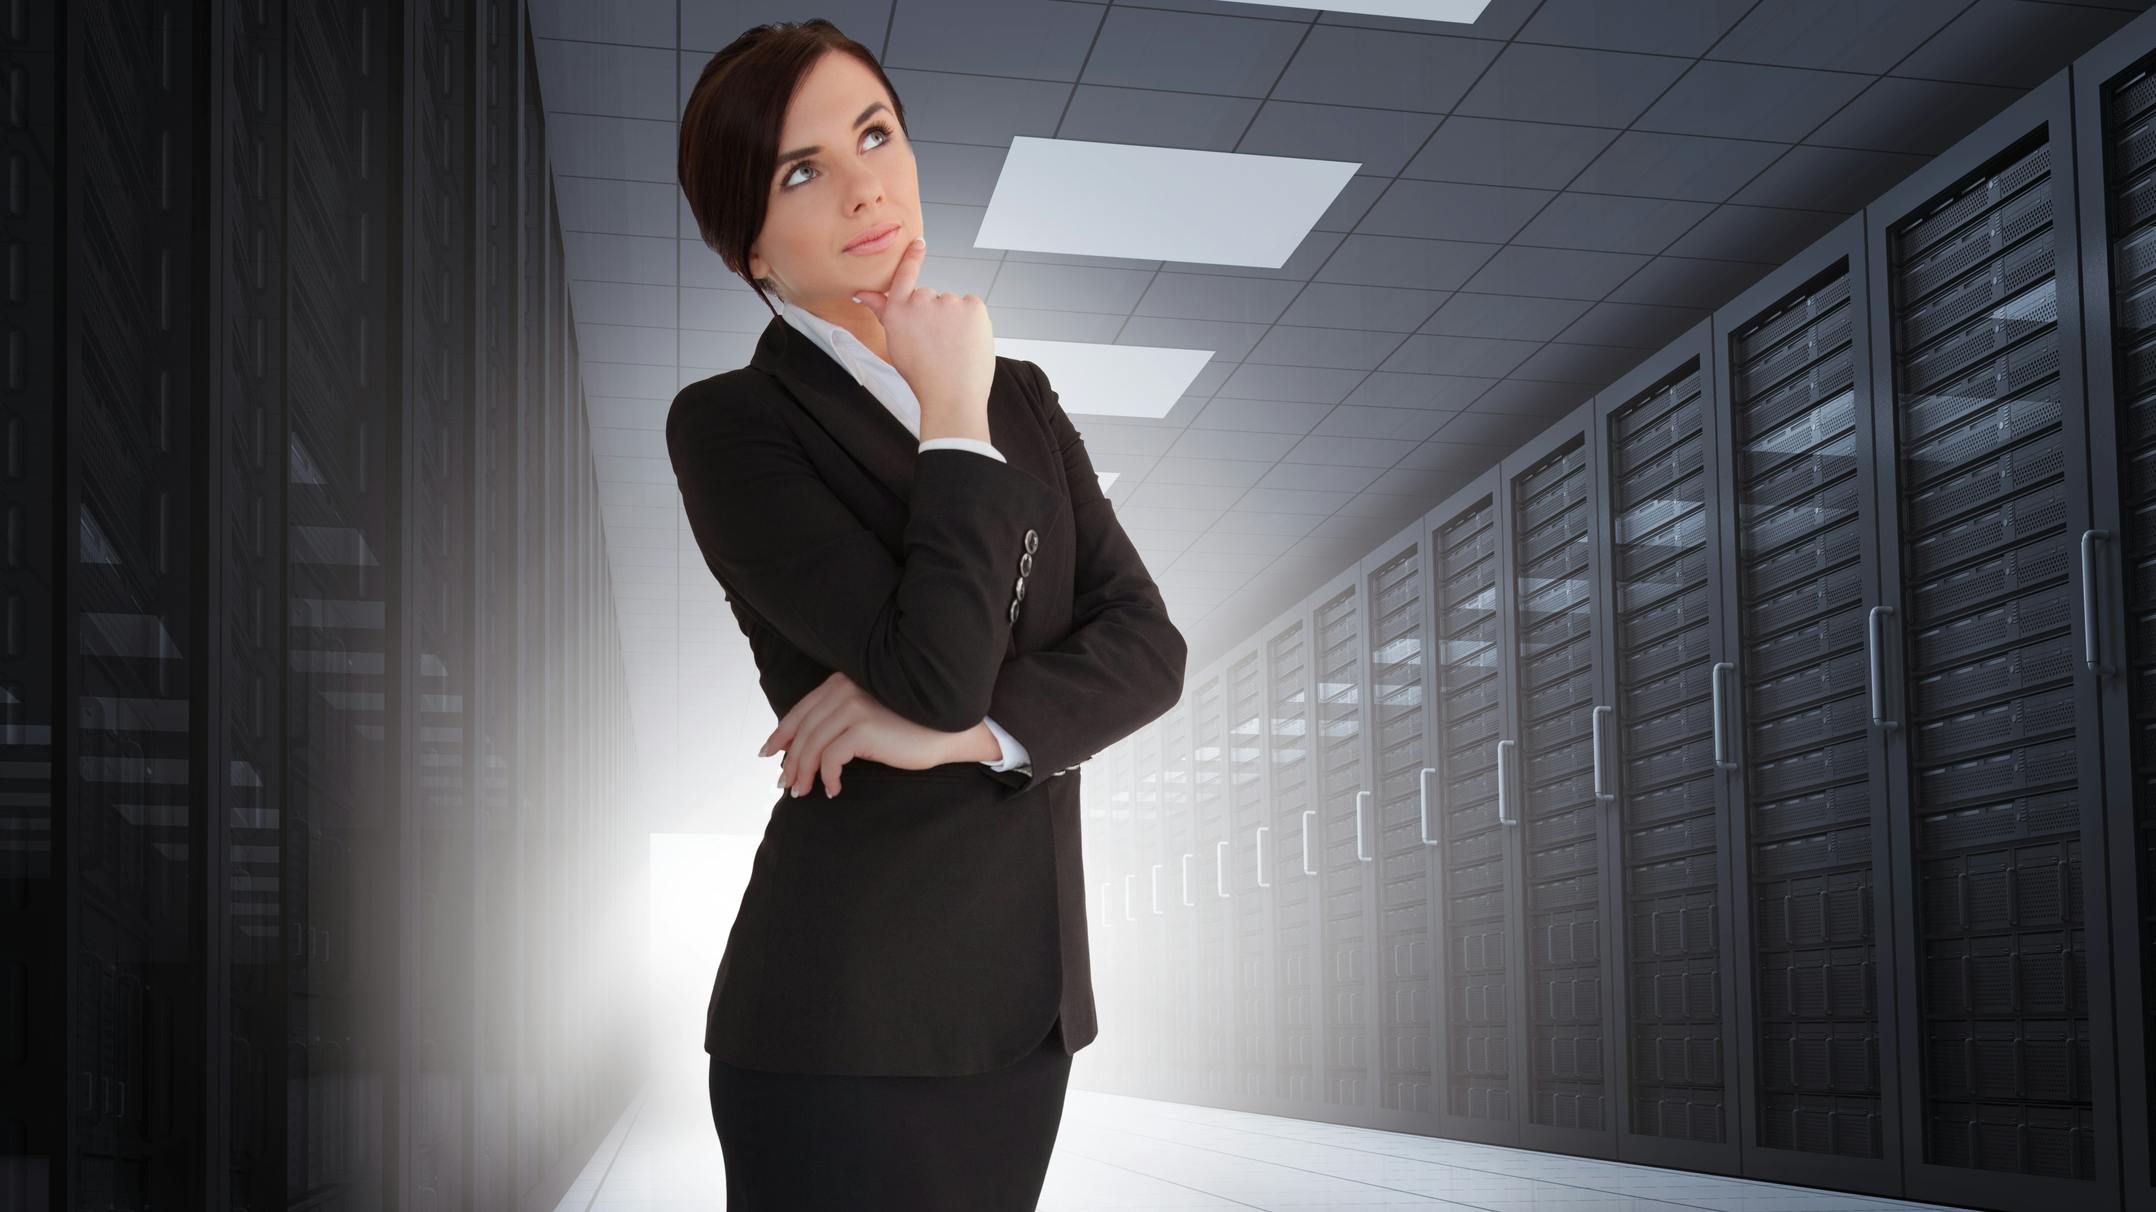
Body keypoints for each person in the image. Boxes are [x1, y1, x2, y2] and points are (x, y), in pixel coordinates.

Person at [669, 19, 1188, 1211]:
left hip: (1024, 1013)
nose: (864, 190)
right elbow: (936, 663)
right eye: (802, 172)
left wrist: (964, 740)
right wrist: (951, 405)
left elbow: (1147, 648)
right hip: (845, 1019)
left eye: (874, 136)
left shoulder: (1026, 395)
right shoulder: (734, 424)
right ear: (748, 242)